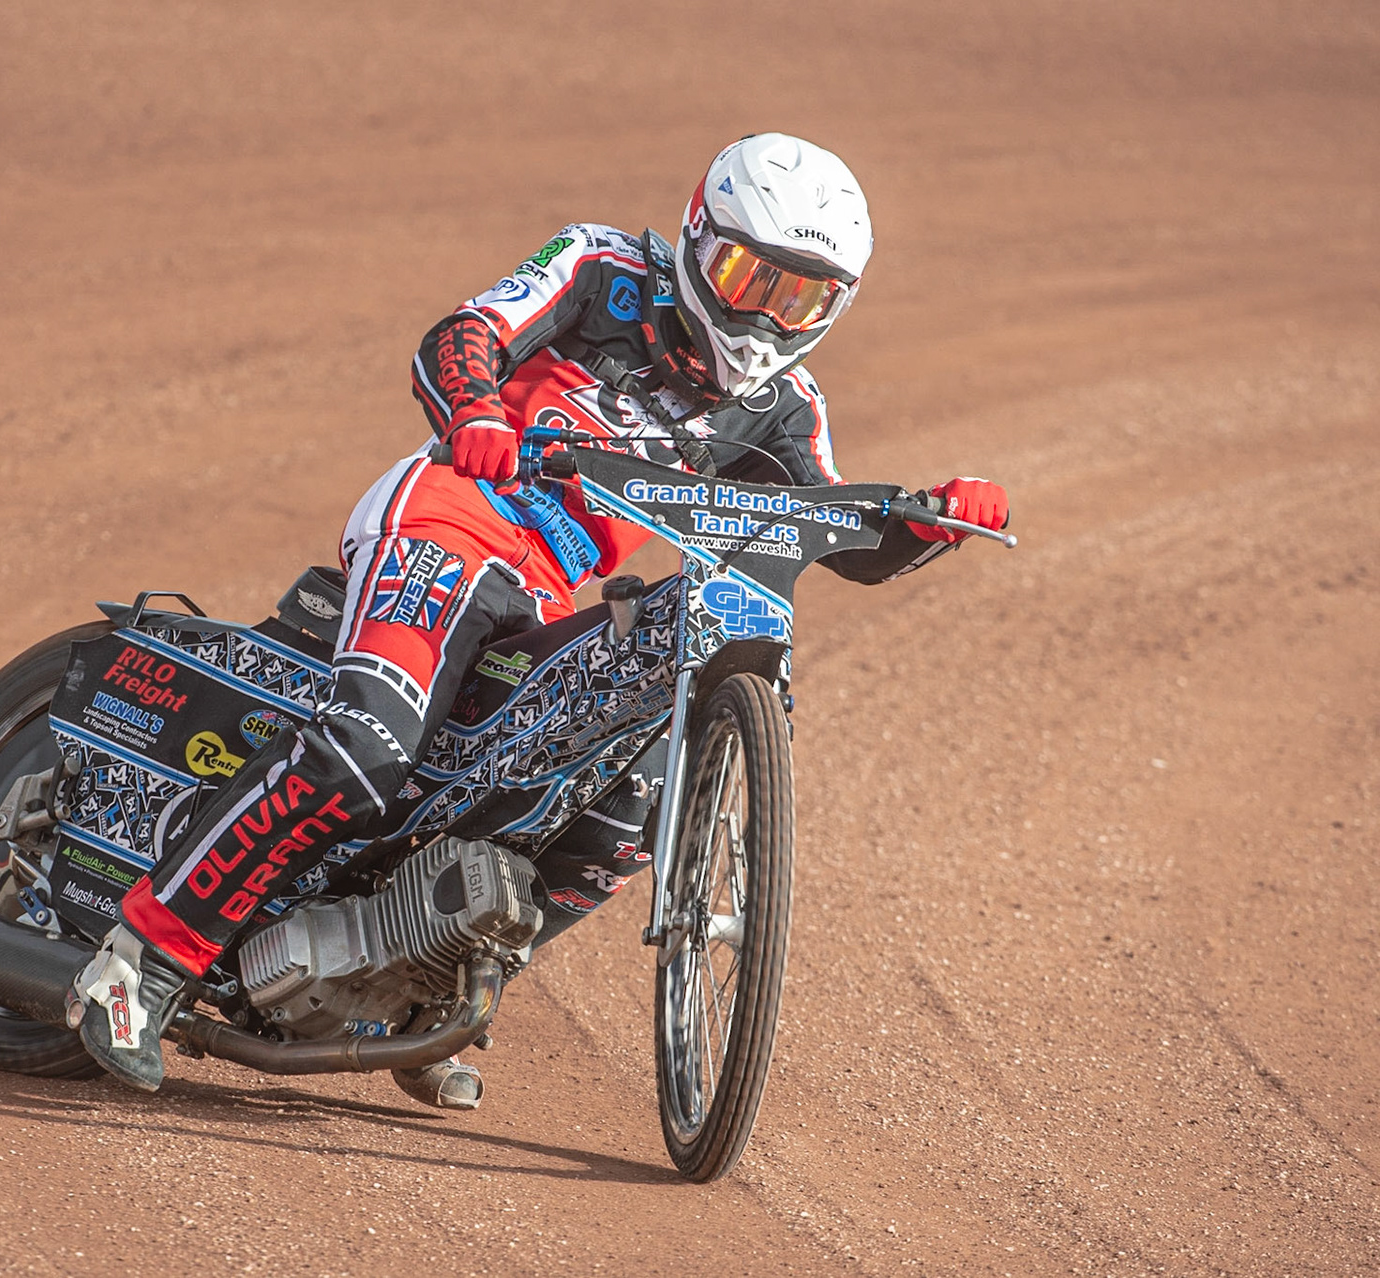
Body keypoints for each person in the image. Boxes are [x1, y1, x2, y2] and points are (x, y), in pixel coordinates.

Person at [72, 133, 1010, 1106]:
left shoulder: (785, 407)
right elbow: (461, 336)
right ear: (698, 236)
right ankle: (136, 965)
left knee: (611, 814)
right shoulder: (600, 268)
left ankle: (426, 996)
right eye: (747, 276)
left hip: (543, 590)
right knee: (364, 750)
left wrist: (931, 519)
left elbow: (833, 538)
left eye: (800, 297)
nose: (767, 316)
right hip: (448, 517)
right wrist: (476, 409)